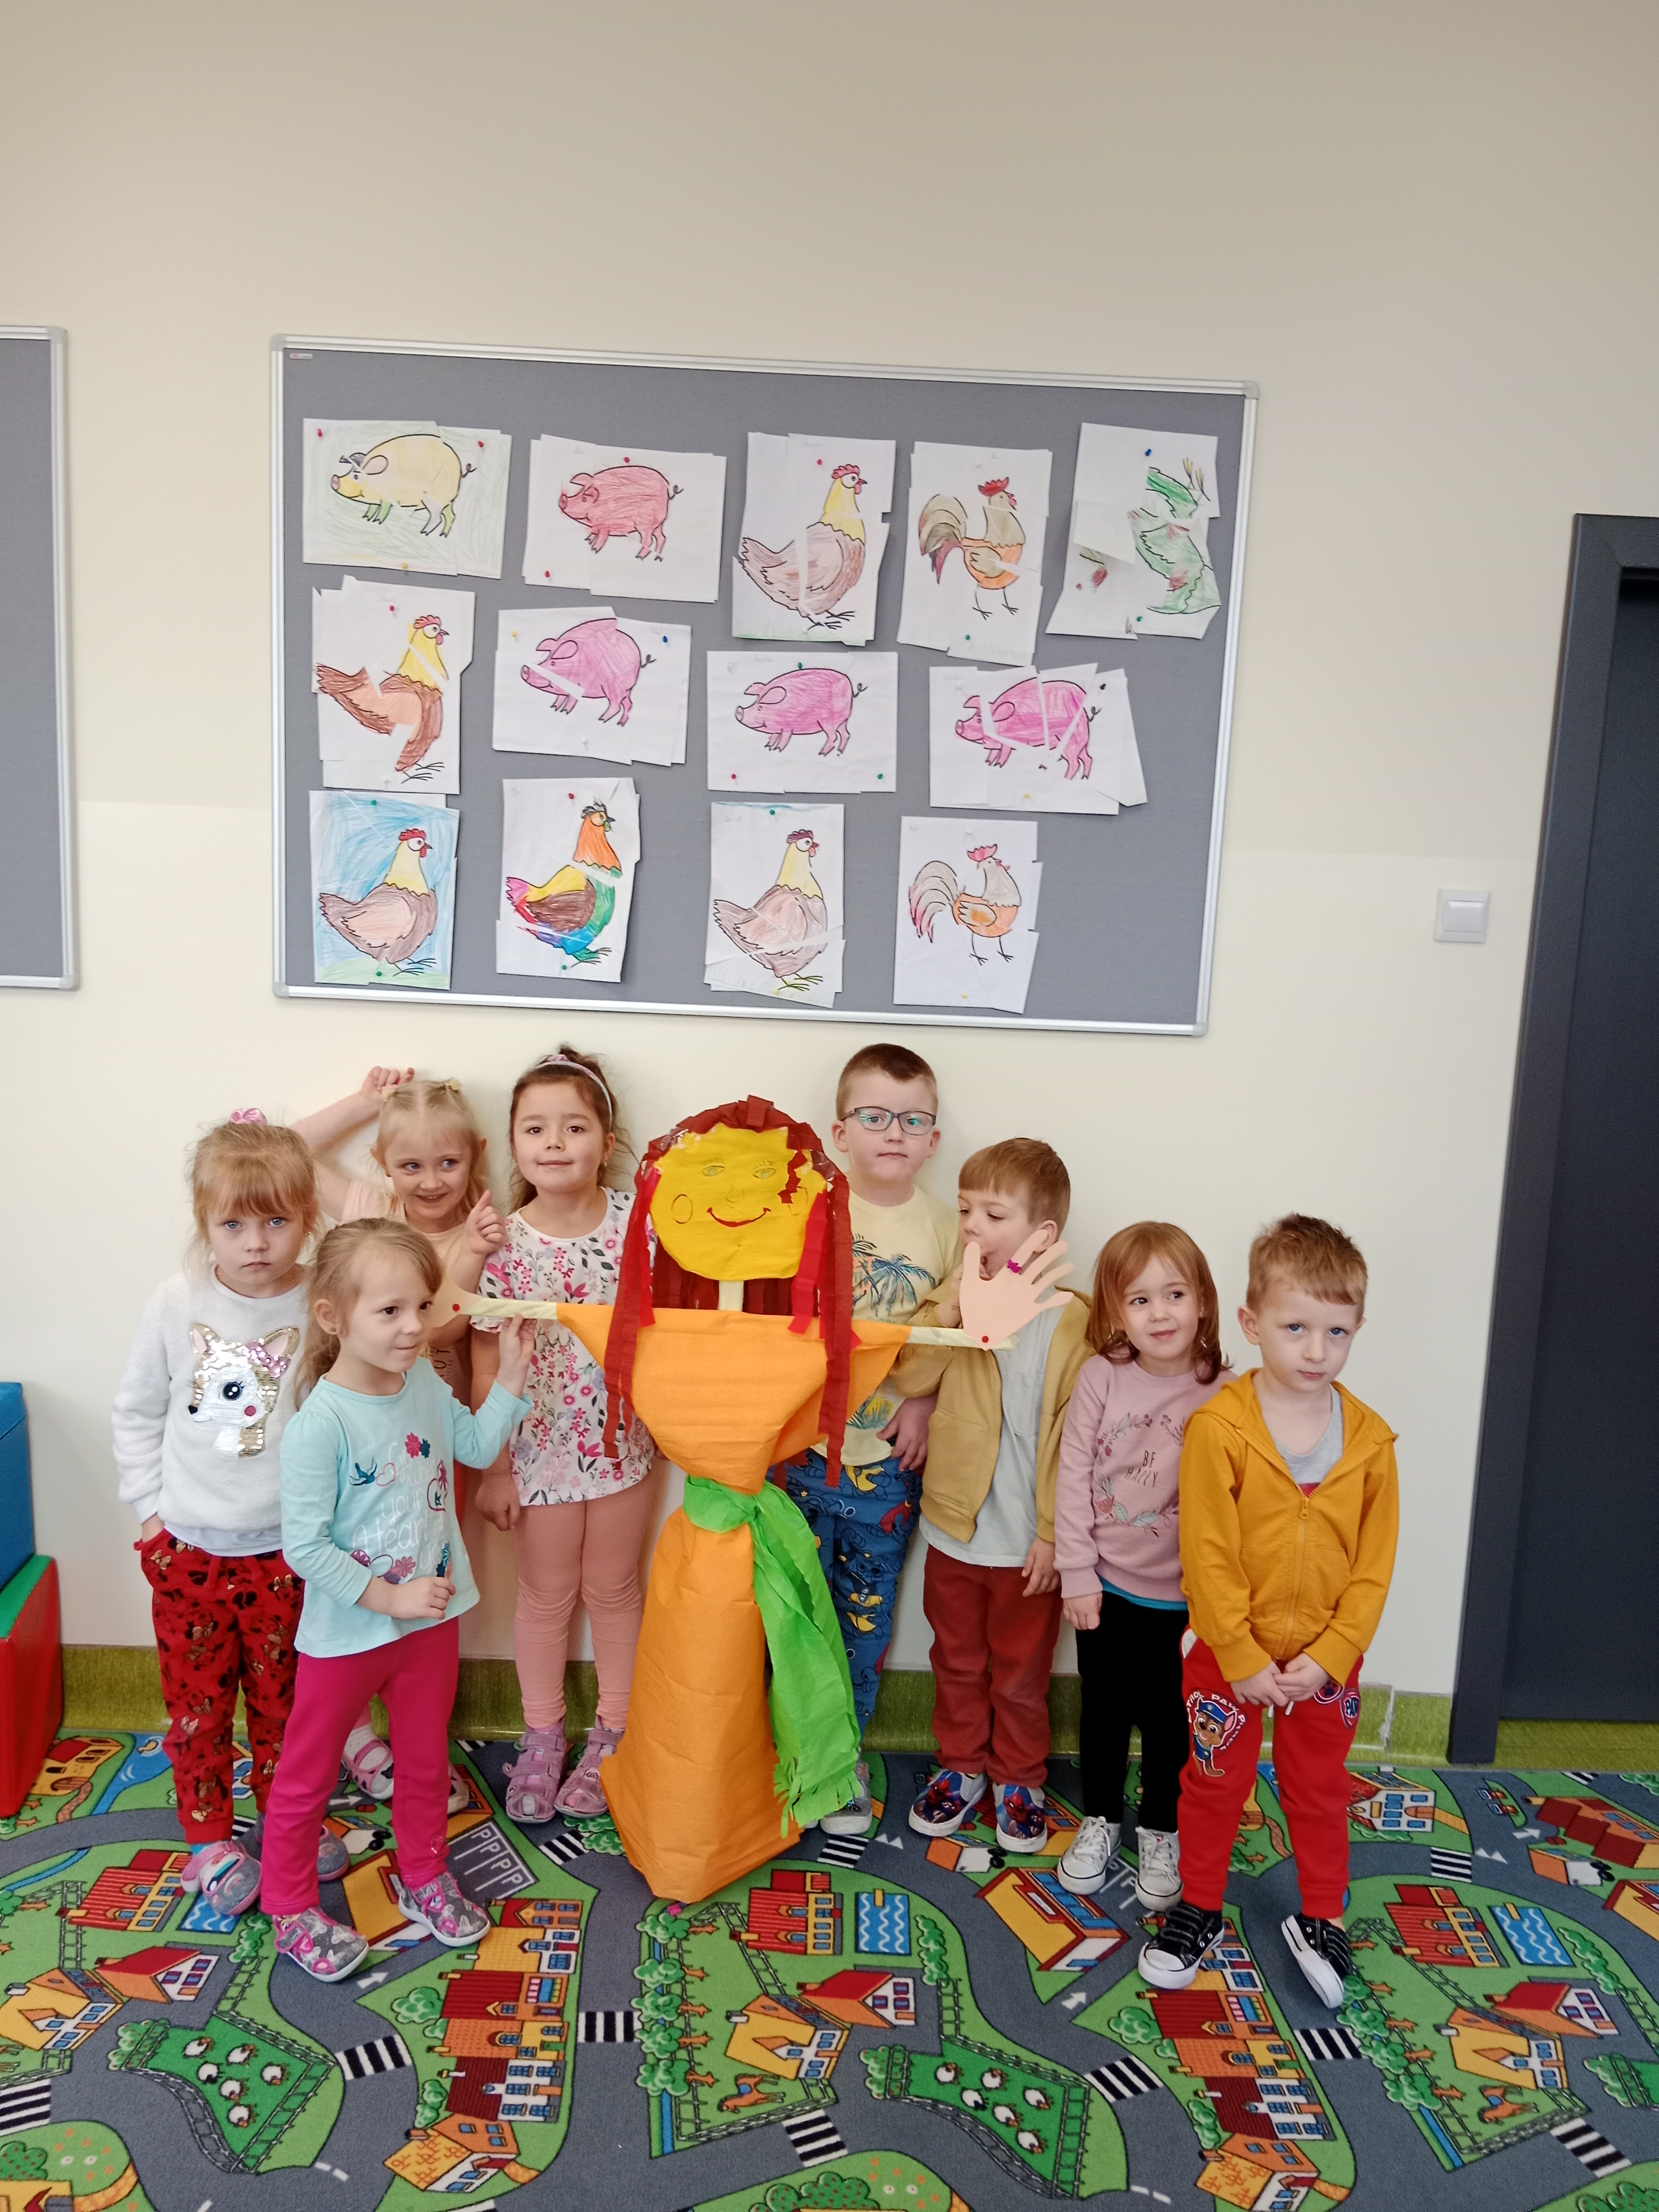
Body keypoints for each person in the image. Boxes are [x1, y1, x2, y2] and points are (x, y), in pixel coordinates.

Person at [261, 1219, 531, 1982]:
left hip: (430, 1620)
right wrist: (389, 1597)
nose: (414, 1327)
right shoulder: (320, 1426)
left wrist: (510, 1380)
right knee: (308, 1774)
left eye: (422, 1306)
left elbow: (472, 1447)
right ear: (332, 1316)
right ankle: (289, 1907)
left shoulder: (422, 1384)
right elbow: (306, 1548)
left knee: (423, 1761)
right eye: (390, 1311)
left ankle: (423, 1875)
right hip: (349, 1634)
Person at [1140, 1214, 1398, 2008]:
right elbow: (1207, 1553)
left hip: (1327, 1661)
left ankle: (1323, 1915)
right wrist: (1243, 1656)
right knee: (1215, 1783)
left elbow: (1374, 1569)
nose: (1316, 1350)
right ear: (1253, 1325)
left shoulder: (1371, 1444)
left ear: (1357, 1330)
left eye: (1336, 1332)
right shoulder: (1220, 1429)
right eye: (1296, 1328)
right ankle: (1199, 1904)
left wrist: (1331, 1654)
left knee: (1319, 1788)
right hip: (1228, 1656)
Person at [112, 1115, 353, 1915]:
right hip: (190, 1553)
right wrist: (150, 1514)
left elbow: (350, 1409)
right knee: (200, 1710)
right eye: (234, 1225)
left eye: (277, 1221)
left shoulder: (325, 1300)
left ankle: (291, 1822)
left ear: (309, 1218)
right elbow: (138, 1410)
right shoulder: (175, 1301)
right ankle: (210, 1841)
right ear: (204, 1222)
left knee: (292, 1707)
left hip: (294, 1552)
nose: (256, 1243)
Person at [295, 1068, 506, 1799]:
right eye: (410, 1164)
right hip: (360, 1425)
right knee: (355, 1562)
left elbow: (443, 1330)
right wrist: (363, 1104)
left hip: (434, 1433)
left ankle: (418, 1744)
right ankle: (358, 1736)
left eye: (447, 1162)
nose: (430, 1181)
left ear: (474, 1157)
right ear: (384, 1163)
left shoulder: (480, 1228)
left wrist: (472, 1252)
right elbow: (288, 1150)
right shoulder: (371, 1208)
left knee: (425, 1576)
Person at [774, 1044, 960, 1837]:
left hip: (884, 1466)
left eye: (913, 1120)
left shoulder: (950, 1230)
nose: (894, 1133)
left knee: (862, 1620)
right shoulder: (805, 1212)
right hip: (798, 1454)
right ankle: (791, 1751)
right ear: (840, 1131)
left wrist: (924, 1402)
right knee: (791, 1614)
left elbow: (964, 1334)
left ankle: (843, 1755)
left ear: (934, 1139)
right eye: (876, 1117)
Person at [470, 1050, 658, 1822]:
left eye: (574, 1128)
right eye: (536, 1128)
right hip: (536, 1451)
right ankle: (543, 1735)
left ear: (607, 1143)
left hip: (622, 1448)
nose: (554, 1142)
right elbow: (486, 1359)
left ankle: (615, 1733)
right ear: (513, 1143)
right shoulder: (502, 1246)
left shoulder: (640, 1228)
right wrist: (494, 1468)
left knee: (613, 1589)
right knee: (545, 1595)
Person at [893, 1139, 1088, 1852]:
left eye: (994, 1214)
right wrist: (957, 1308)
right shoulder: (954, 1298)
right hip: (956, 1528)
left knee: (1021, 1675)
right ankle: (962, 1765)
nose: (973, 1226)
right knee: (957, 1661)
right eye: (966, 1210)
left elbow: (1078, 1443)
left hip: (1029, 1545)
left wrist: (1054, 1533)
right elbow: (909, 1375)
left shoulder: (1076, 1323)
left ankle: (1019, 1776)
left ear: (1043, 1234)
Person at [1053, 1224, 1228, 1910]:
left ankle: (1161, 1828)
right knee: (1103, 1712)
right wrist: (1077, 1573)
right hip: (1106, 1588)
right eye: (1140, 1300)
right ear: (1115, 1312)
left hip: (1187, 1602)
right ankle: (1100, 1817)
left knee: (1170, 1722)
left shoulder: (1228, 1393)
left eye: (1175, 1295)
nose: (1160, 1314)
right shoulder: (1102, 1377)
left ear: (1204, 1301)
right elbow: (1073, 1476)